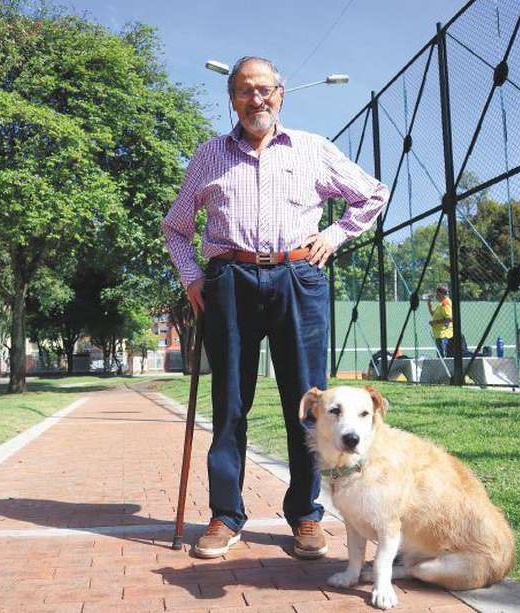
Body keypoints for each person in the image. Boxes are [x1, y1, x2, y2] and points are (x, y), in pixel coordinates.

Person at [162, 56, 388, 560]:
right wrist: (193, 277)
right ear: (232, 99)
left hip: (297, 278)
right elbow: (176, 227)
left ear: (281, 94)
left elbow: (372, 195)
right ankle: (225, 515)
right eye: (245, 91)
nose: (255, 99)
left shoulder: (312, 149)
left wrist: (332, 235)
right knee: (230, 405)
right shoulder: (208, 156)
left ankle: (306, 516)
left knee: (308, 406)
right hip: (229, 282)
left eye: (264, 89)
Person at [427, 285, 453, 357]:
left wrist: (435, 322)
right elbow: (433, 314)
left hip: (444, 335)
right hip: (439, 335)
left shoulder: (445, 303)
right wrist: (429, 305)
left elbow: (450, 318)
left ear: (440, 294)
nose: (436, 296)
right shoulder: (441, 304)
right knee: (440, 356)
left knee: (443, 357)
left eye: (437, 294)